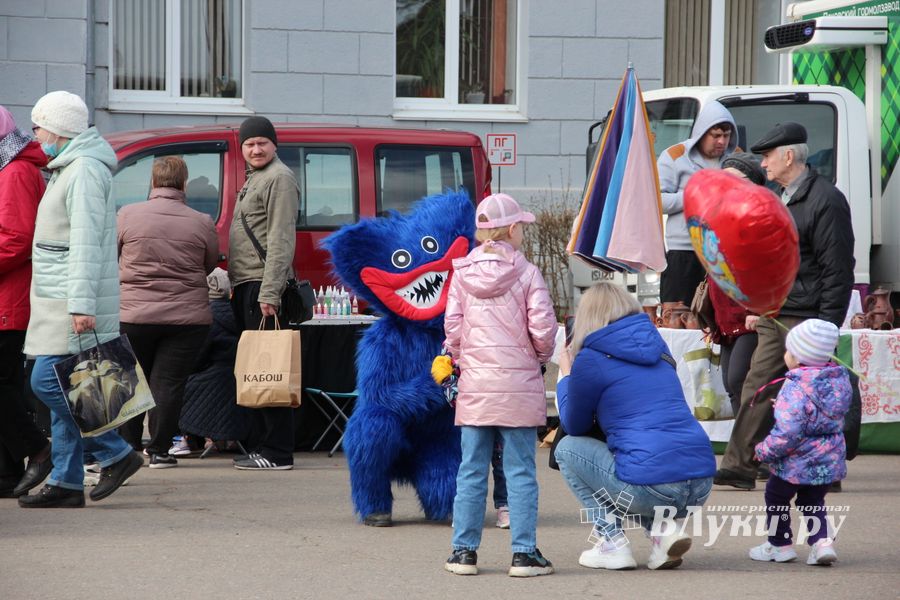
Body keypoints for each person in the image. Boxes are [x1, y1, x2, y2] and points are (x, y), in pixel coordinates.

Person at [714, 123, 855, 491]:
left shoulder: (826, 199)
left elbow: (838, 267)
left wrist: (827, 324)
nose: (763, 164)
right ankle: (742, 465)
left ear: (789, 156)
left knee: (806, 393)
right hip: (778, 311)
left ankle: (816, 470)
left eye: (767, 156)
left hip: (806, 316)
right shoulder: (779, 197)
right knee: (760, 386)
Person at [19, 91, 142, 508]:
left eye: (39, 126)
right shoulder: (71, 166)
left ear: (59, 128)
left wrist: (81, 305)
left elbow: (88, 242)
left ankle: (117, 453)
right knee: (66, 384)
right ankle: (67, 481)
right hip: (59, 298)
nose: (36, 135)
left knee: (47, 381)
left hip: (70, 301)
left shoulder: (84, 168)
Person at [554, 282, 716, 571]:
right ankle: (662, 531)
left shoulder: (591, 358)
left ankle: (611, 543)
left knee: (567, 449)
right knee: (637, 467)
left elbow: (574, 425)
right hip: (700, 483)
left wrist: (567, 376)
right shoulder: (659, 346)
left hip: (653, 487)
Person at [442, 193, 557, 577]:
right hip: (517, 385)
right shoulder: (527, 273)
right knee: (520, 470)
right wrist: (537, 359)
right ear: (511, 230)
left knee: (471, 470)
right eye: (521, 225)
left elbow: (453, 330)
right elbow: (543, 330)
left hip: (476, 386)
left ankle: (463, 553)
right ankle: (524, 554)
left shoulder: (462, 274)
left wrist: (465, 359)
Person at [117, 156, 219, 468]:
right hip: (186, 318)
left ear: (152, 182)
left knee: (132, 381)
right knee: (169, 383)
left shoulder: (127, 215)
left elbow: (112, 256)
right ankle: (160, 450)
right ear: (184, 183)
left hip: (134, 314)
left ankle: (127, 449)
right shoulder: (201, 221)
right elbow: (209, 264)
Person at [228, 116, 299, 470]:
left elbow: (281, 239)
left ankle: (277, 451)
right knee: (256, 368)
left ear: (274, 144)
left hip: (263, 288)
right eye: (249, 144)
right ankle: (261, 447)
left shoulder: (279, 178)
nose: (255, 149)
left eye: (262, 143)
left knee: (271, 368)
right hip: (248, 285)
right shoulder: (256, 177)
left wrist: (270, 292)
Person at [749, 319, 850, 565]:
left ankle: (780, 544)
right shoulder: (838, 380)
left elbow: (789, 432)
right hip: (827, 458)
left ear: (797, 356)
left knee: (776, 497)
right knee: (813, 501)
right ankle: (822, 543)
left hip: (795, 461)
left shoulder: (795, 386)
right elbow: (821, 413)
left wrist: (764, 450)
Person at [0, 106, 53, 499]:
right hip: (8, 294)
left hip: (9, 298)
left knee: (2, 386)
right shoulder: (9, 167)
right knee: (6, 384)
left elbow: (16, 238)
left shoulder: (15, 171)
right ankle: (6, 475)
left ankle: (38, 449)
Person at [657, 100, 737, 305]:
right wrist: (696, 194)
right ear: (701, 133)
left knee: (722, 317)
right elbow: (658, 201)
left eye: (726, 135)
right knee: (679, 314)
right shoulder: (674, 156)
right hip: (684, 252)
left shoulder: (737, 158)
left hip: (726, 252)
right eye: (715, 135)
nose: (722, 141)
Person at [709, 152, 765, 417]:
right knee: (730, 385)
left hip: (749, 315)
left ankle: (754, 437)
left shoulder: (759, 216)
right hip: (725, 314)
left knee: (739, 380)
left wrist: (757, 309)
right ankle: (742, 439)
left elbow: (764, 268)